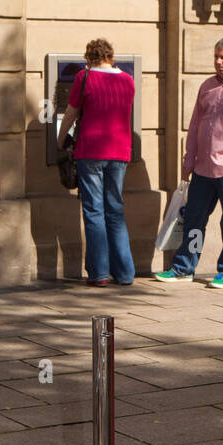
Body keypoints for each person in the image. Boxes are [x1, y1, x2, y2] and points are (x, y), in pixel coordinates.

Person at [155, 38, 223, 289]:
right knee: (194, 220)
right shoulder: (207, 86)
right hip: (203, 168)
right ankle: (184, 268)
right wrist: (188, 158)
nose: (218, 62)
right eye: (216, 56)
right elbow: (195, 125)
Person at [57, 39, 136, 288]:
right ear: (111, 57)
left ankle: (99, 273)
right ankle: (124, 274)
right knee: (115, 210)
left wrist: (60, 140)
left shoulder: (85, 77)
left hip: (91, 150)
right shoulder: (128, 80)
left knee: (94, 211)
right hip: (119, 152)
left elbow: (70, 113)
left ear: (89, 58)